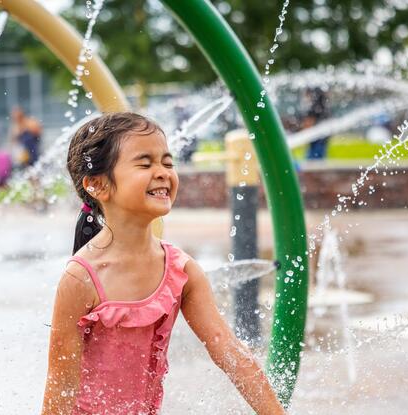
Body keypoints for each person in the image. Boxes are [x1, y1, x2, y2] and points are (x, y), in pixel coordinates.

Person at [41, 112, 286, 415]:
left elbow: (229, 351)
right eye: (145, 163)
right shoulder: (81, 279)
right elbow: (60, 384)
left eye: (168, 163)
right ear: (98, 185)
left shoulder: (181, 270)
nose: (162, 172)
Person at [302, 87, 330, 160]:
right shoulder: (324, 108)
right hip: (322, 140)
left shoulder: (313, 108)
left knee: (312, 162)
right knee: (319, 161)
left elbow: (308, 124)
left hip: (316, 141)